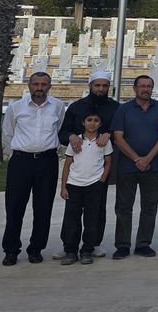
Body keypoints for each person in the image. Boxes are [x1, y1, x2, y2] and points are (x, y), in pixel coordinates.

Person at [1, 71, 65, 266]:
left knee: (43, 207)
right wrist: (16, 153)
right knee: (14, 207)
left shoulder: (58, 106)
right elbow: (8, 133)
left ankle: (36, 249)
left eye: (43, 84)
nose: (39, 88)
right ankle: (11, 250)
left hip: (47, 161)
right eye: (36, 84)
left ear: (49, 87)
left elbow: (59, 130)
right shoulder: (16, 107)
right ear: (29, 86)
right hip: (21, 161)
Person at [57, 69, 118, 261]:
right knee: (72, 213)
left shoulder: (115, 108)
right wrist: (71, 136)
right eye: (97, 85)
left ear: (109, 87)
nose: (101, 89)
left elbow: (120, 130)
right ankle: (69, 246)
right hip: (77, 171)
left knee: (97, 210)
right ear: (90, 86)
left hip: (98, 170)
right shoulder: (76, 107)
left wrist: (109, 134)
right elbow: (63, 132)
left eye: (104, 86)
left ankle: (93, 244)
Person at [112, 75, 158, 260]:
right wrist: (137, 159)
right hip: (127, 167)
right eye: (142, 86)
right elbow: (118, 137)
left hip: (152, 166)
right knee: (123, 207)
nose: (146, 89)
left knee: (149, 207)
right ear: (135, 88)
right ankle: (122, 245)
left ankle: (143, 244)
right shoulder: (123, 109)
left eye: (149, 86)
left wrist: (148, 158)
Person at [58, 111, 112, 265]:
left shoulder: (103, 141)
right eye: (89, 120)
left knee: (91, 220)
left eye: (96, 120)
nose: (92, 123)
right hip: (74, 185)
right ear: (83, 122)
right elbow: (67, 164)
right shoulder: (76, 141)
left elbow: (108, 162)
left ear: (100, 124)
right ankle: (70, 251)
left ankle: (87, 250)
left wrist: (102, 179)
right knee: (72, 220)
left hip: (94, 185)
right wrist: (63, 186)